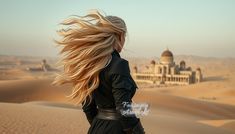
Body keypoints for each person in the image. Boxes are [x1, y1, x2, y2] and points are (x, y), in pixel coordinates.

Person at [53, 10, 145, 134]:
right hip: (118, 129)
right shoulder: (119, 64)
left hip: (96, 128)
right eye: (124, 36)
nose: (124, 40)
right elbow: (123, 109)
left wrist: (99, 125)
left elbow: (87, 107)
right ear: (119, 35)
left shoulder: (89, 65)